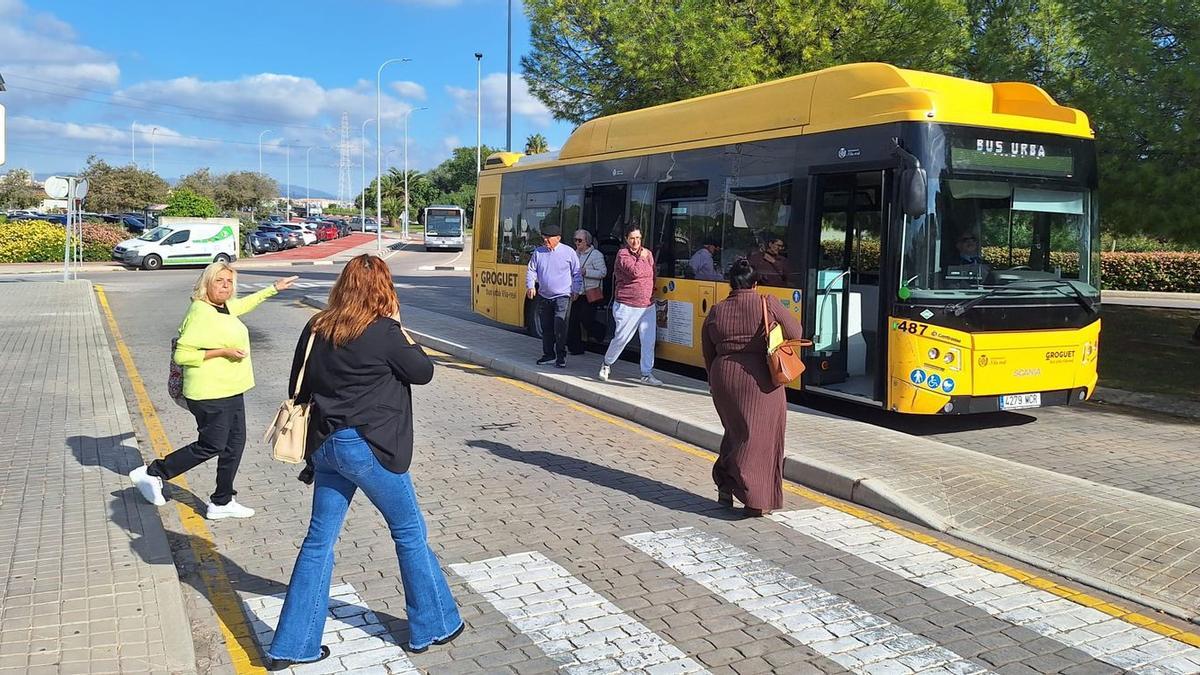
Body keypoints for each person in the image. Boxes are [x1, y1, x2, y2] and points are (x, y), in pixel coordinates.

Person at [267, 255, 463, 669]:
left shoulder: (318, 325)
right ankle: (433, 624)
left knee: (319, 541)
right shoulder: (385, 332)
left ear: (343, 285)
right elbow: (423, 371)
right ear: (383, 290)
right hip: (368, 447)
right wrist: (400, 324)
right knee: (409, 531)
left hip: (325, 445)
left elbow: (297, 381)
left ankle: (294, 644)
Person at [129, 264, 297, 518]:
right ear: (206, 284)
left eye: (229, 281)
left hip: (231, 389)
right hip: (209, 393)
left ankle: (221, 501)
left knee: (234, 445)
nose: (226, 285)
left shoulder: (223, 307)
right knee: (212, 445)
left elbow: (242, 306)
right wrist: (223, 352)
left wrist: (273, 288)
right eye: (219, 281)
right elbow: (183, 354)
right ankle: (153, 472)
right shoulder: (200, 312)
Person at [702, 259, 803, 517]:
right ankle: (754, 498)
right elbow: (796, 330)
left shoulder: (717, 310)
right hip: (760, 378)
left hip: (723, 375)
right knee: (760, 437)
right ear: (755, 283)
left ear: (731, 284)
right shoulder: (767, 302)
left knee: (735, 431)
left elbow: (707, 348)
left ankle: (725, 484)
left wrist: (714, 381)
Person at [599, 225, 663, 386]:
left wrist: (650, 290)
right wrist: (642, 256)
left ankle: (646, 374)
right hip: (627, 305)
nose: (636, 241)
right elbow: (635, 272)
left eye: (638, 238)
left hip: (647, 305)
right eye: (632, 238)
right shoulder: (623, 254)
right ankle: (606, 364)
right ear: (627, 239)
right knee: (621, 338)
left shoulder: (648, 254)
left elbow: (653, 273)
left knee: (648, 341)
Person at [526, 223, 583, 368]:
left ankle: (561, 356)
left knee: (560, 327)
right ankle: (548, 355)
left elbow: (577, 273)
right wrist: (531, 286)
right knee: (546, 327)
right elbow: (531, 270)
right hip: (544, 296)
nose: (545, 241)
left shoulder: (569, 252)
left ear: (558, 238)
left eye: (548, 238)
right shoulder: (538, 252)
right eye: (544, 238)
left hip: (562, 296)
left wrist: (576, 290)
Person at [567, 229, 608, 355]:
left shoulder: (596, 255)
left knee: (586, 320)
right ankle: (575, 348)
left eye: (579, 240)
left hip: (589, 293)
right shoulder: (574, 254)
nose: (577, 243)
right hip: (577, 292)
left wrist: (586, 272)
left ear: (587, 242)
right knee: (573, 320)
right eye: (575, 240)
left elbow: (603, 273)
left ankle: (601, 331)